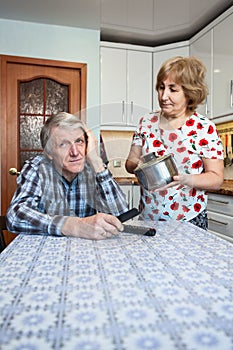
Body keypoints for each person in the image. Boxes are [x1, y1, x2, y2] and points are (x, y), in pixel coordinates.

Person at [125, 56, 224, 230]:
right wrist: (138, 165)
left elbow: (216, 178)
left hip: (189, 219)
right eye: (161, 88)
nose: (164, 96)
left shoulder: (203, 128)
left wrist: (186, 179)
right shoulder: (146, 122)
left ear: (189, 92)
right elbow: (130, 162)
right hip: (149, 218)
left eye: (173, 89)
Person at [6, 112, 128, 240]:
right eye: (63, 144)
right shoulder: (37, 168)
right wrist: (73, 226)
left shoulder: (92, 168)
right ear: (49, 153)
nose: (75, 152)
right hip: (46, 251)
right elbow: (15, 217)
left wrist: (96, 162)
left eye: (79, 141)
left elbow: (122, 215)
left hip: (85, 250)